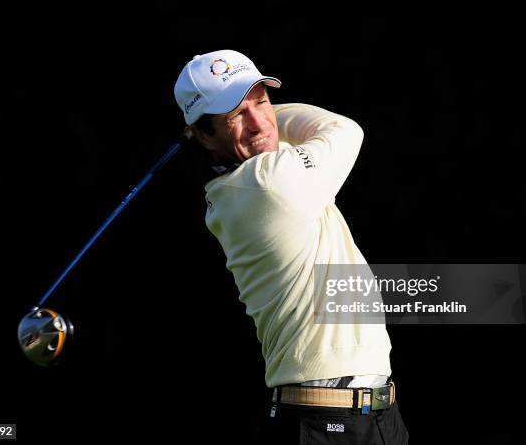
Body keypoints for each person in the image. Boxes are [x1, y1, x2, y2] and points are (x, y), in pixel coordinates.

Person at [174, 49, 409, 444]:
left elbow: (268, 138)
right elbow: (344, 130)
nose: (257, 124)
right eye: (235, 116)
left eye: (262, 102)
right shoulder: (269, 183)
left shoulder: (245, 178)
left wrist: (250, 113)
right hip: (327, 419)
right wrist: (271, 114)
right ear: (202, 135)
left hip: (372, 412)